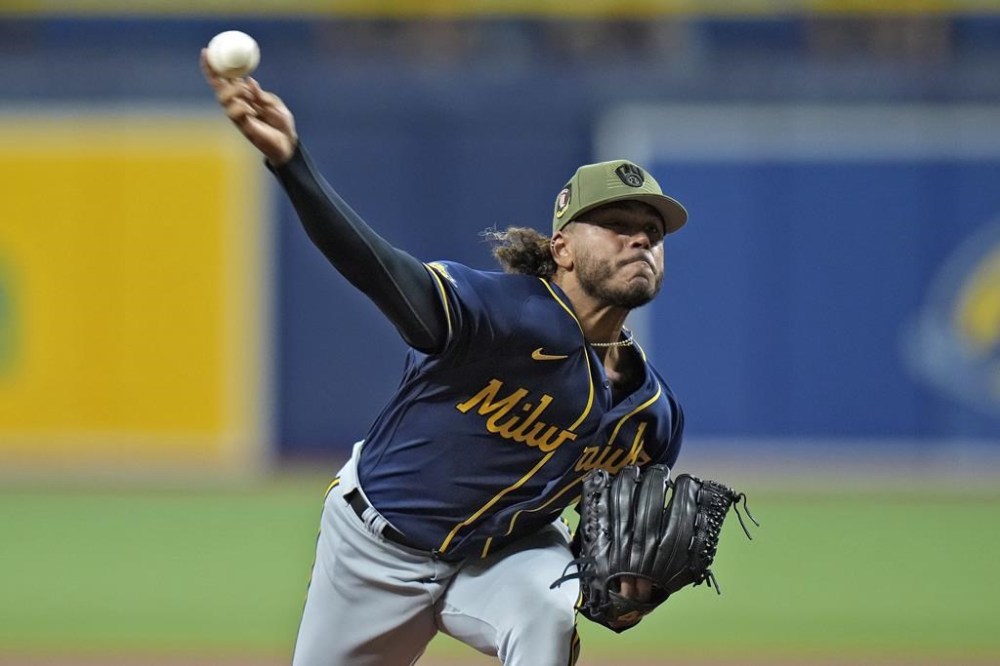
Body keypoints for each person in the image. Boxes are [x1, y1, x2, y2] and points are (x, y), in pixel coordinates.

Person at [202, 51, 687, 666]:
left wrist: (625, 586)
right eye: (616, 222)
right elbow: (376, 268)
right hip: (375, 552)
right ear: (561, 248)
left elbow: (613, 536)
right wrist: (292, 165)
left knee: (548, 609)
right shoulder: (500, 313)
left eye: (653, 230)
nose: (641, 237)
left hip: (505, 558)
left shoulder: (653, 415)